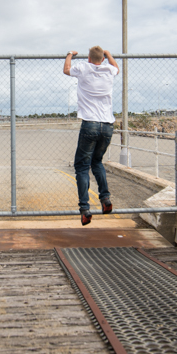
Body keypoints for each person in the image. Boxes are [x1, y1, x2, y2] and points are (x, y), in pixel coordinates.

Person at [64, 46, 119, 225]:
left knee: (81, 167)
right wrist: (109, 54)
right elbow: (116, 67)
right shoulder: (110, 70)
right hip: (107, 126)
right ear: (102, 59)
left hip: (90, 124)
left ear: (88, 58)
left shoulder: (83, 67)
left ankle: (85, 208)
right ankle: (105, 199)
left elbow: (66, 70)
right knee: (97, 162)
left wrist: (69, 55)